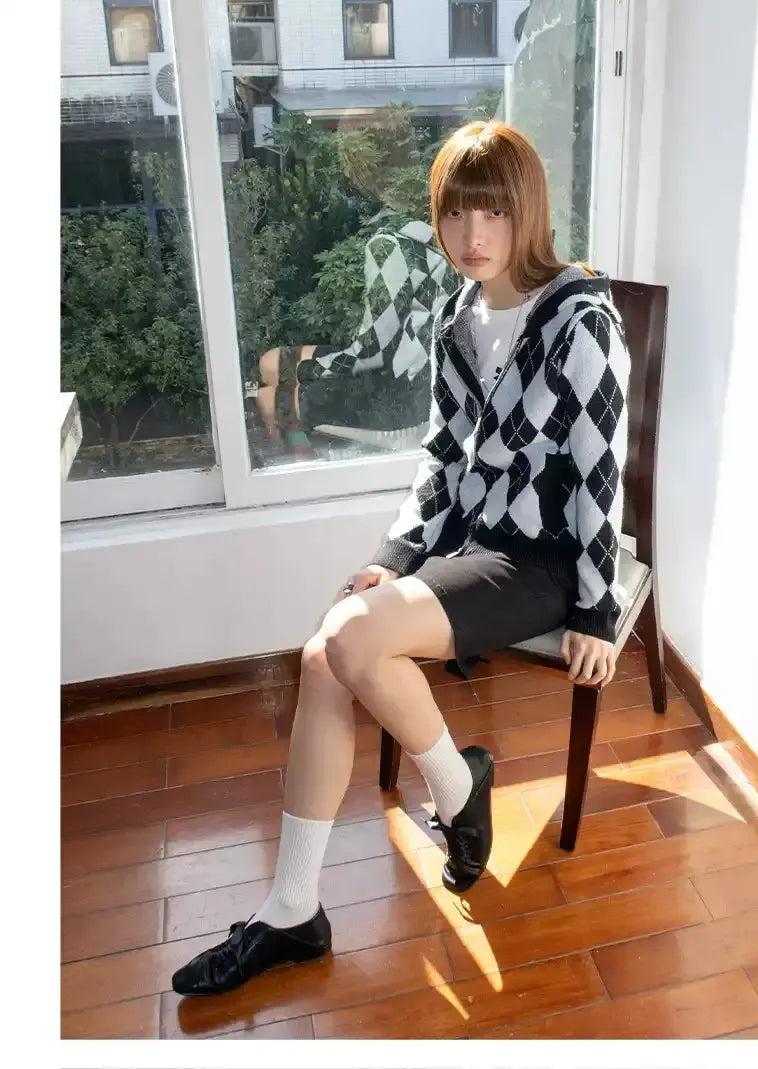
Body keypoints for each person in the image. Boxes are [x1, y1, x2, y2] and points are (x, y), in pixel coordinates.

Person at [171, 119, 631, 996]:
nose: (472, 235)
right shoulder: (460, 317)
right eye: (455, 213)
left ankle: (456, 790)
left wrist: (597, 609)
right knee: (324, 654)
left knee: (347, 637)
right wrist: (396, 552)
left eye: (493, 212)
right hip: (469, 546)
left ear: (527, 211)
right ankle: (294, 906)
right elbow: (442, 455)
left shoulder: (582, 321)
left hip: (543, 559)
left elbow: (602, 471)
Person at [255, 218, 461, 453]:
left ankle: (297, 465)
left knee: (272, 398)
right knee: (271, 362)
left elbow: (372, 353)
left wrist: (304, 373)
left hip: (410, 401)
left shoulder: (391, 245)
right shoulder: (428, 241)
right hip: (404, 369)